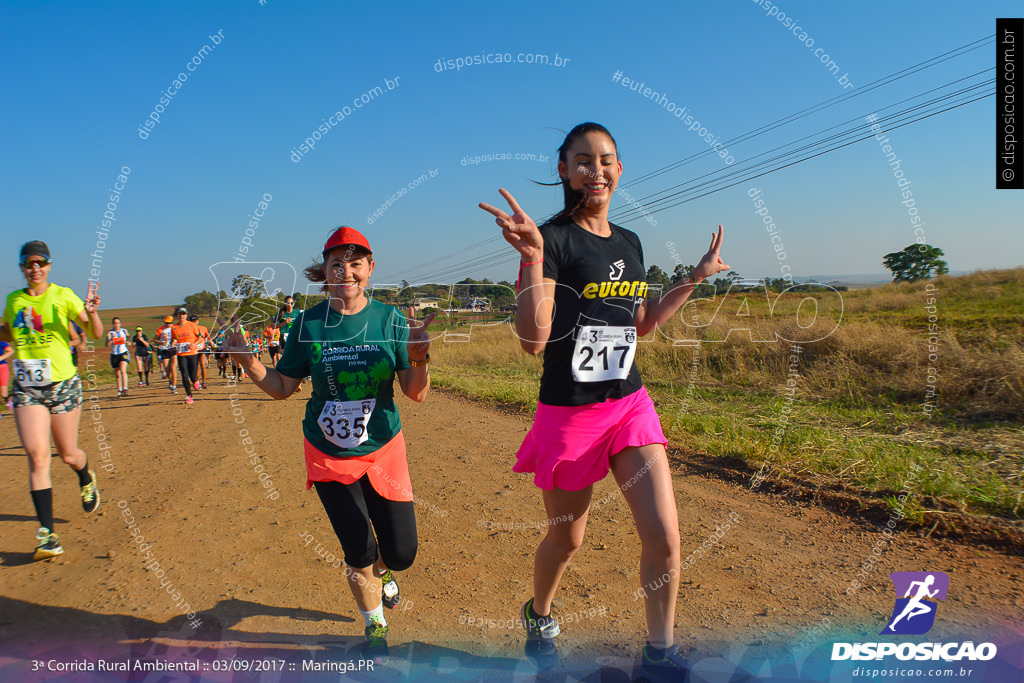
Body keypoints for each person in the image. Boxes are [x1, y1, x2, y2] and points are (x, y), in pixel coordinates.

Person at [479, 122, 730, 681]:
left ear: (620, 169)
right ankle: (538, 613)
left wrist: (694, 277)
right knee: (567, 538)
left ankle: (658, 654)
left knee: (665, 536)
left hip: (628, 405)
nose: (598, 171)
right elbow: (532, 340)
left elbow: (641, 326)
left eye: (608, 160)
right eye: (584, 161)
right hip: (568, 415)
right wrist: (530, 259)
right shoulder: (550, 240)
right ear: (564, 170)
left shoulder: (630, 242)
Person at [221, 226, 434, 661]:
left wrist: (418, 355)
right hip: (328, 454)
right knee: (358, 549)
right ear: (325, 271)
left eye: (356, 263)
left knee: (401, 552)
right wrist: (248, 361)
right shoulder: (307, 324)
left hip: (382, 449)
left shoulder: (391, 321)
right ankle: (374, 621)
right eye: (337, 264)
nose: (347, 272)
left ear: (369, 270)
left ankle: (385, 571)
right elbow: (282, 387)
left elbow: (416, 392)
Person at [1, 241, 104, 560]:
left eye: (41, 263)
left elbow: (96, 333)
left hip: (62, 383)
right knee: (37, 455)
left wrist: (91, 313)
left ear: (49, 265)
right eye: (28, 264)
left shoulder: (63, 296)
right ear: (21, 267)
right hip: (27, 387)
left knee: (68, 454)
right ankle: (47, 534)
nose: (35, 269)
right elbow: (9, 332)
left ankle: (85, 476)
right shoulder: (14, 300)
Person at [170, 308, 201, 405]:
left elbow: (200, 337)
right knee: (184, 376)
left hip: (192, 353)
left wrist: (195, 344)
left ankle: (195, 381)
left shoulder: (192, 325)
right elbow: (174, 339)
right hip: (181, 354)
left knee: (192, 376)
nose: (181, 316)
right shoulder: (174, 328)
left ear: (186, 315)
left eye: (183, 314)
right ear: (177, 316)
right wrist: (173, 343)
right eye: (179, 314)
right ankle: (189, 396)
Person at [106, 317, 131, 397]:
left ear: (120, 323)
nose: (117, 325)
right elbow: (106, 344)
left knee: (123, 370)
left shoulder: (124, 331)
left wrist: (129, 342)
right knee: (117, 373)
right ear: (113, 324)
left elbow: (128, 338)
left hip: (123, 352)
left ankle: (125, 388)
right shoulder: (110, 333)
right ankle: (119, 390)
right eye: (115, 323)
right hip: (114, 354)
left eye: (118, 323)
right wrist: (111, 340)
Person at [156, 315, 176, 389]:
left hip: (173, 349)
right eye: (166, 323)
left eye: (169, 323)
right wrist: (161, 343)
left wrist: (174, 342)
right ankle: (170, 380)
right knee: (167, 370)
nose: (168, 324)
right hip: (165, 350)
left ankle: (174, 386)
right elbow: (155, 339)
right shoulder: (161, 329)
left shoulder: (175, 328)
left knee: (173, 368)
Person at [190, 314, 210, 389]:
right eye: (192, 321)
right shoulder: (190, 330)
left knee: (203, 365)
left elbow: (208, 336)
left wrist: (211, 342)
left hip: (202, 349)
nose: (194, 323)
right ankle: (197, 382)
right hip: (194, 350)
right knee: (196, 367)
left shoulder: (203, 328)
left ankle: (204, 382)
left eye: (195, 321)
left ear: (197, 321)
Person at [0, 340, 12, 417]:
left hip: (2, 368)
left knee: (3, 393)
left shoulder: (1, 341)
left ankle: (8, 400)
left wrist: (1, 358)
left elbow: (10, 351)